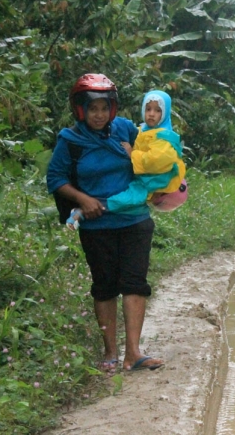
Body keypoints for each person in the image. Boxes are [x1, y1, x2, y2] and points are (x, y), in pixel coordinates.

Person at [46, 73, 163, 371]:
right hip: (97, 226)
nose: (98, 115)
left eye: (104, 108)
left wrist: (135, 153)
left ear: (112, 108)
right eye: (92, 108)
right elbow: (56, 178)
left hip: (135, 220)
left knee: (135, 283)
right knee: (105, 286)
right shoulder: (70, 141)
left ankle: (133, 353)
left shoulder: (125, 129)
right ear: (80, 110)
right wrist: (82, 199)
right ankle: (110, 353)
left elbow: (154, 158)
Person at [66, 89, 186, 229]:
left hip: (151, 183)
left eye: (158, 110)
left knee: (123, 200)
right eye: (148, 109)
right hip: (144, 179)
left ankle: (83, 211)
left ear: (165, 114)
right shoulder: (144, 130)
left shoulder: (165, 137)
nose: (151, 114)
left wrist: (132, 153)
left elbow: (154, 161)